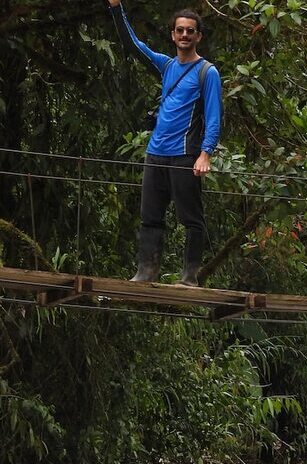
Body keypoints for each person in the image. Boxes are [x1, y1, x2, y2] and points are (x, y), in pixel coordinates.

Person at [108, 0, 222, 286]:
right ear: (172, 35)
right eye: (180, 30)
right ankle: (146, 272)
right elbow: (134, 45)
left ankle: (190, 277)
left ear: (198, 36)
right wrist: (116, 7)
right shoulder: (167, 65)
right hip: (155, 153)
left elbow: (213, 117)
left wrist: (205, 153)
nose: (184, 35)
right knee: (150, 216)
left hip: (184, 154)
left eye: (190, 31)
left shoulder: (207, 72)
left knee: (191, 218)